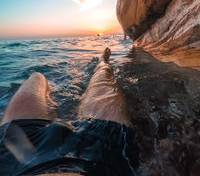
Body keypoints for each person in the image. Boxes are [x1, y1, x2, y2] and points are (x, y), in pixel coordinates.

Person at [0, 48, 138, 176]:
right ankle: (102, 61)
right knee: (103, 74)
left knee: (37, 76)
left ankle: (58, 85)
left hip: (16, 157)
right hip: (103, 155)